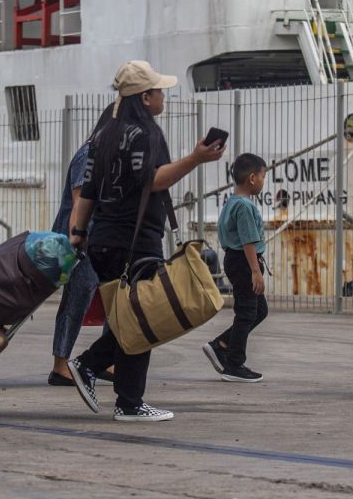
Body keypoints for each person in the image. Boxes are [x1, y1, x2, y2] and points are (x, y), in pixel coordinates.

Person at [67, 60, 224, 422]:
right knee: (143, 316)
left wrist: (79, 232)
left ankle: (113, 386)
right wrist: (196, 158)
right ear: (145, 97)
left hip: (103, 240)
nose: (162, 96)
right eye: (158, 91)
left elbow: (88, 190)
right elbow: (153, 180)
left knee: (129, 316)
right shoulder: (147, 133)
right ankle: (121, 395)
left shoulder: (103, 134)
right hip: (135, 241)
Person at [48, 107, 117, 386]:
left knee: (115, 299)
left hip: (101, 240)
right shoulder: (89, 154)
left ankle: (105, 360)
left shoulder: (108, 157)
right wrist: (79, 240)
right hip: (80, 241)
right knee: (78, 297)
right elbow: (80, 201)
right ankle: (60, 364)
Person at [202, 153, 269, 383]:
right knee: (248, 312)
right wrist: (255, 271)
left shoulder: (231, 202)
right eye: (262, 176)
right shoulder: (244, 207)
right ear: (252, 178)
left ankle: (221, 344)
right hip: (244, 261)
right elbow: (248, 241)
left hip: (236, 259)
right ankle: (234, 364)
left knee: (259, 311)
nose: (263, 181)